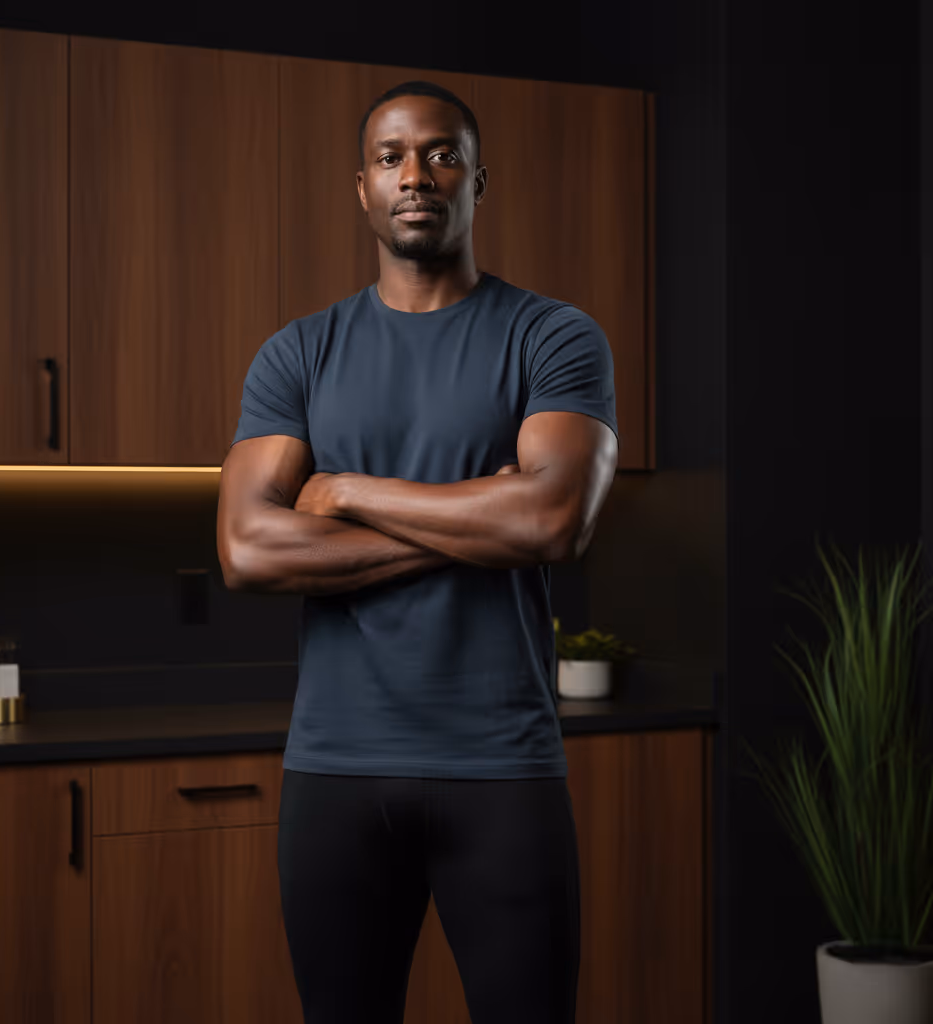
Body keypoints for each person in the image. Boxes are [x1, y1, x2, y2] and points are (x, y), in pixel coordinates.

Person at [217, 79, 619, 1024]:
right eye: (392, 156)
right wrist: (485, 518)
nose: (416, 174)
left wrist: (349, 492)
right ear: (362, 186)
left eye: (442, 154)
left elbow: (555, 521)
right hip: (335, 773)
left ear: (480, 180)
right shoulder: (298, 354)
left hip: (505, 769)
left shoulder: (552, 336)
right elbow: (246, 548)